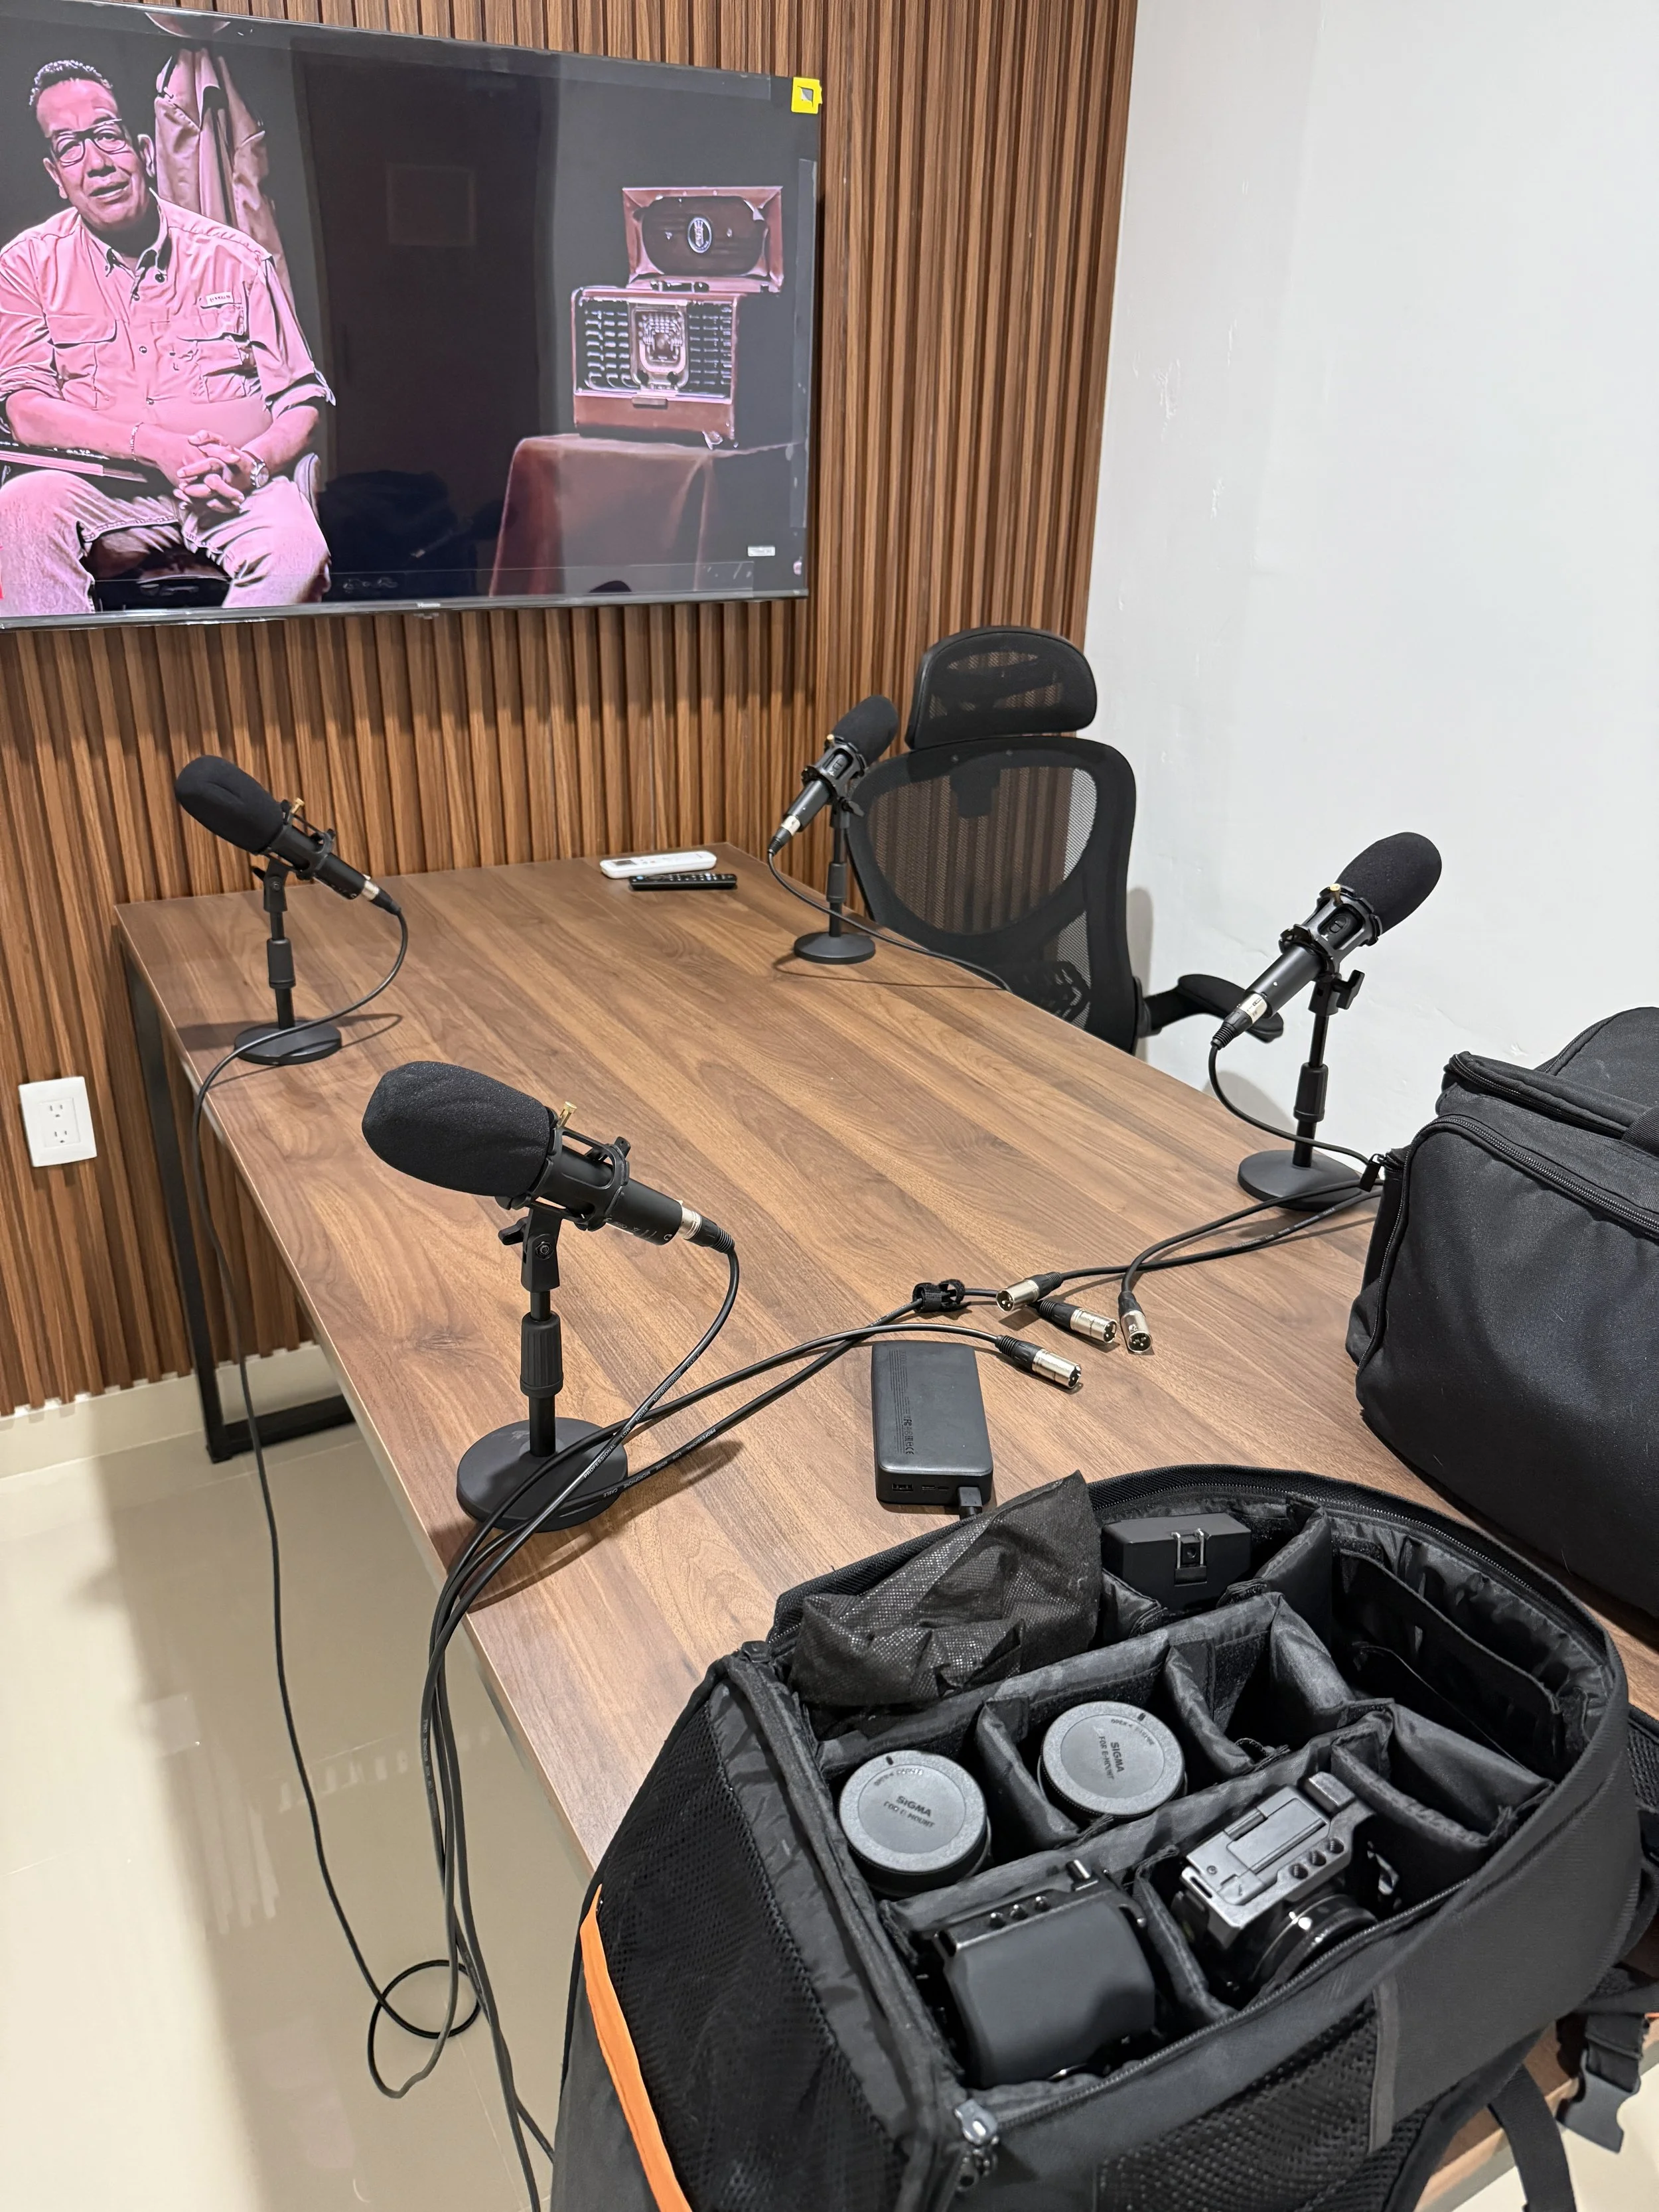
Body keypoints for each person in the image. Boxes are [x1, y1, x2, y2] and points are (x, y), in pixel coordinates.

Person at [0, 58, 333, 615]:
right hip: (105, 490)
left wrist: (248, 464)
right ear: (56, 176)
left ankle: (232, 668)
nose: (97, 163)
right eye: (70, 147)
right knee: (19, 508)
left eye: (108, 134)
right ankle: (77, 673)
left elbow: (301, 401)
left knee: (298, 552)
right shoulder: (24, 266)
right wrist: (154, 445)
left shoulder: (237, 258)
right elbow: (26, 411)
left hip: (236, 489)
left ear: (145, 152)